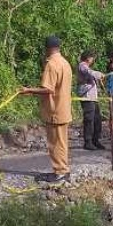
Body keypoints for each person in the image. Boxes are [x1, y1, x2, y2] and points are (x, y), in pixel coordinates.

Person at [20, 36, 72, 182]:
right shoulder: (65, 63)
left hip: (55, 110)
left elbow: (48, 89)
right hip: (63, 108)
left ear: (47, 49)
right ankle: (63, 170)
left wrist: (28, 90)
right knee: (61, 142)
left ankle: (60, 172)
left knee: (55, 143)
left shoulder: (52, 64)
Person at [77, 50, 105, 150]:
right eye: (92, 57)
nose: (93, 60)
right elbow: (90, 72)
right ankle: (88, 141)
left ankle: (95, 140)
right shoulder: (82, 65)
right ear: (88, 58)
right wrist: (98, 74)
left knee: (97, 118)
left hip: (93, 97)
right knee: (89, 118)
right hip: (86, 96)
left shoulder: (88, 67)